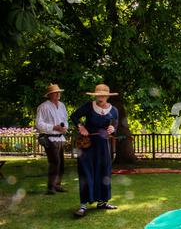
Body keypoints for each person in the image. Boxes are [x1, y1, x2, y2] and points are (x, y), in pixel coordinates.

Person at [71, 84, 119, 217]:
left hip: (103, 146)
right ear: (95, 96)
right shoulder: (88, 106)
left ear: (108, 96)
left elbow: (115, 123)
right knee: (86, 172)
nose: (100, 97)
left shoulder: (113, 110)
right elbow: (74, 116)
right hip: (87, 146)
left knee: (104, 172)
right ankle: (83, 206)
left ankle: (102, 202)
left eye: (103, 95)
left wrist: (113, 129)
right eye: (98, 95)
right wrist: (81, 127)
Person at [36, 84, 68, 195]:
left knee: (61, 163)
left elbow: (65, 119)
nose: (58, 94)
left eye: (59, 92)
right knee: (55, 162)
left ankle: (57, 185)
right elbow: (39, 124)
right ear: (50, 95)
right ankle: (50, 187)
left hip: (60, 138)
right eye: (55, 92)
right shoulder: (43, 107)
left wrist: (64, 128)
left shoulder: (62, 105)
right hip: (49, 138)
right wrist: (54, 127)